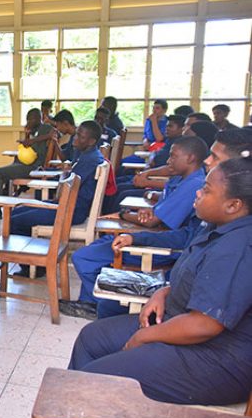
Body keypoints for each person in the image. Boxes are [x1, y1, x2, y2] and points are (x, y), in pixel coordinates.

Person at [21, 155, 252, 418]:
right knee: (91, 339)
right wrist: (165, 292)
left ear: (233, 205)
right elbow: (200, 279)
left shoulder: (239, 246)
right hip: (181, 321)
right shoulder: (218, 227)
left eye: (207, 190)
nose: (198, 192)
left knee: (99, 376)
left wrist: (145, 337)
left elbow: (205, 324)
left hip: (214, 358)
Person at [61, 128, 252, 320]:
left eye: (214, 157)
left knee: (87, 258)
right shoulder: (200, 189)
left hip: (166, 252)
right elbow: (180, 228)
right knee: (100, 254)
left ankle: (93, 304)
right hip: (170, 251)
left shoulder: (201, 189)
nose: (207, 161)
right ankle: (94, 302)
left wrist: (130, 225)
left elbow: (174, 232)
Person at [10, 121, 104, 277]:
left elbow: (67, 187)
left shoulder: (90, 160)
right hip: (69, 205)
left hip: (71, 211)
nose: (75, 139)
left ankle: (33, 266)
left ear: (92, 141)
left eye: (80, 136)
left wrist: (63, 180)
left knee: (15, 220)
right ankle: (35, 259)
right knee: (16, 212)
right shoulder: (87, 154)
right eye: (76, 134)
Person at [0, 108, 54, 219]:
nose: (28, 122)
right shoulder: (34, 131)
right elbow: (27, 148)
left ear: (37, 118)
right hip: (24, 164)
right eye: (27, 119)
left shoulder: (46, 128)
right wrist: (27, 135)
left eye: (30, 119)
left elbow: (55, 134)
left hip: (34, 168)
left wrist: (32, 140)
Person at [115, 136, 207, 230]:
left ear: (190, 158)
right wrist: (150, 211)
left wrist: (123, 214)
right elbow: (160, 209)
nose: (168, 161)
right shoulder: (179, 178)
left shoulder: (193, 185)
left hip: (166, 236)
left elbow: (151, 221)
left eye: (173, 156)